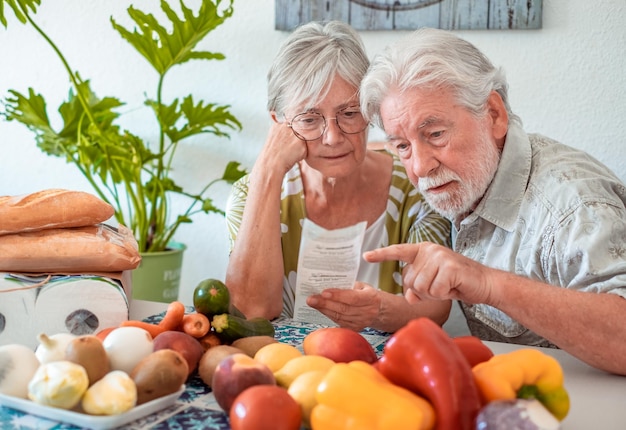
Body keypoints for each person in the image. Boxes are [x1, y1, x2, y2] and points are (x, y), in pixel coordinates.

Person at [359, 27, 626, 374]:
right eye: (403, 145)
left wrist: (487, 283)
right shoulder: (466, 176)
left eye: (436, 134)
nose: (420, 167)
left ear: (495, 115)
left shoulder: (571, 205)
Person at [224, 21, 452, 333]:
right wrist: (267, 169)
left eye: (349, 113)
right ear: (279, 123)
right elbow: (250, 311)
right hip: (281, 371)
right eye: (309, 118)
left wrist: (379, 310)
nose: (332, 137)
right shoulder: (251, 195)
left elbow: (436, 304)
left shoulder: (414, 187)